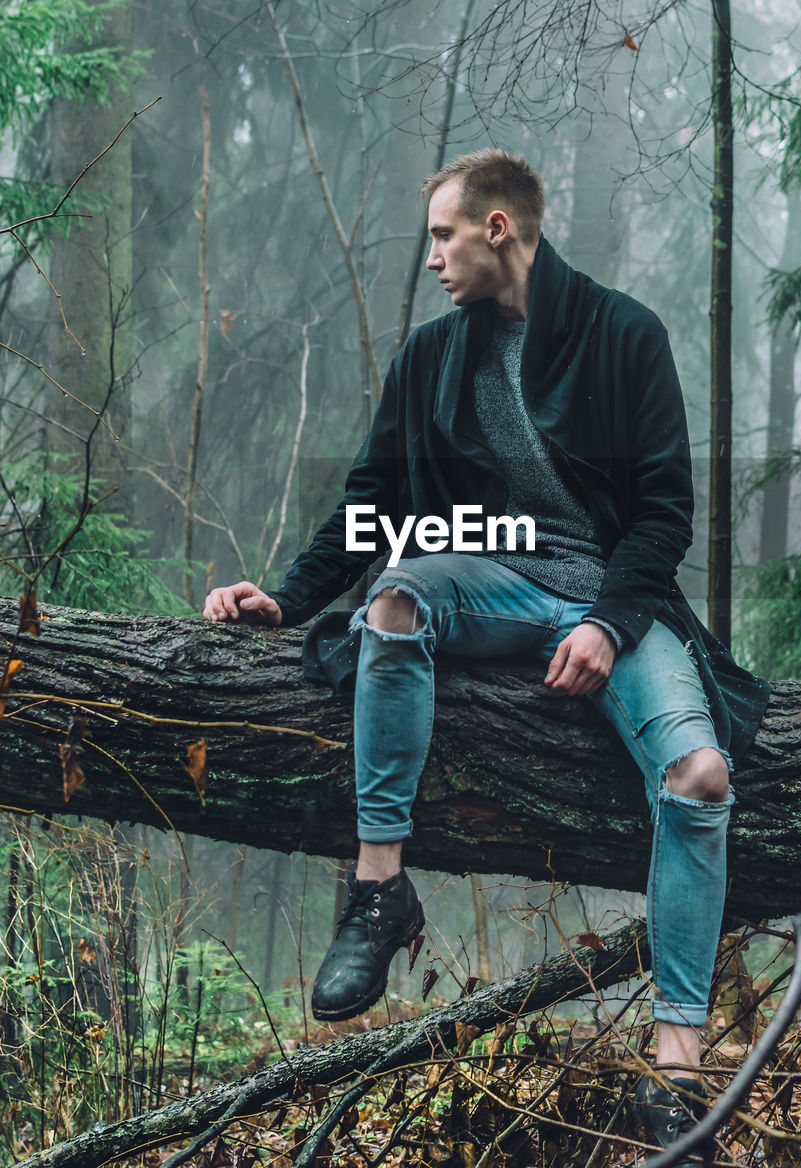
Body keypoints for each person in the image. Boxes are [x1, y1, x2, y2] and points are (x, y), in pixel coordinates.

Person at [203, 149, 770, 1160]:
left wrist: (605, 622)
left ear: (498, 227)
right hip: (487, 585)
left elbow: (663, 513)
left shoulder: (621, 334)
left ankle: (675, 1067)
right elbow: (372, 502)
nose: (432, 258)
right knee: (397, 597)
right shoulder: (428, 357)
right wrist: (286, 599)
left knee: (701, 774)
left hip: (612, 601)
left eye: (442, 235)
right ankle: (379, 889)